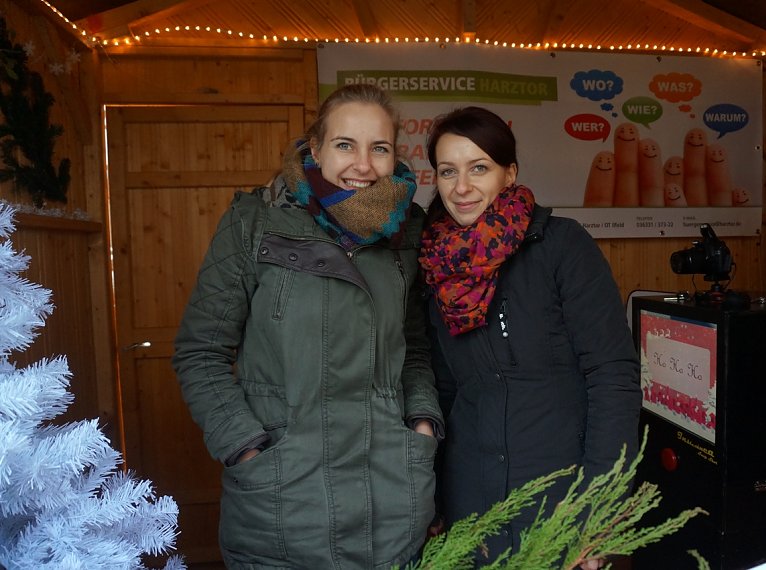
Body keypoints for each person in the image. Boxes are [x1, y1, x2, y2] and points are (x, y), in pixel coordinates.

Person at [172, 83, 443, 569]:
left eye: (378, 148)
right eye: (345, 145)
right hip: (282, 502)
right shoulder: (255, 222)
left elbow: (415, 348)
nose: (363, 165)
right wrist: (245, 449)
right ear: (315, 148)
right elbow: (201, 353)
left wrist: (420, 425)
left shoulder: (407, 231)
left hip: (392, 497)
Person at [419, 106, 642, 568]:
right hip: (472, 502)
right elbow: (446, 389)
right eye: (448, 171)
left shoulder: (562, 246)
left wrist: (597, 508)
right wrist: (435, 501)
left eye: (479, 168)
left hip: (559, 498)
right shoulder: (435, 265)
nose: (462, 187)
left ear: (509, 173)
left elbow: (612, 376)